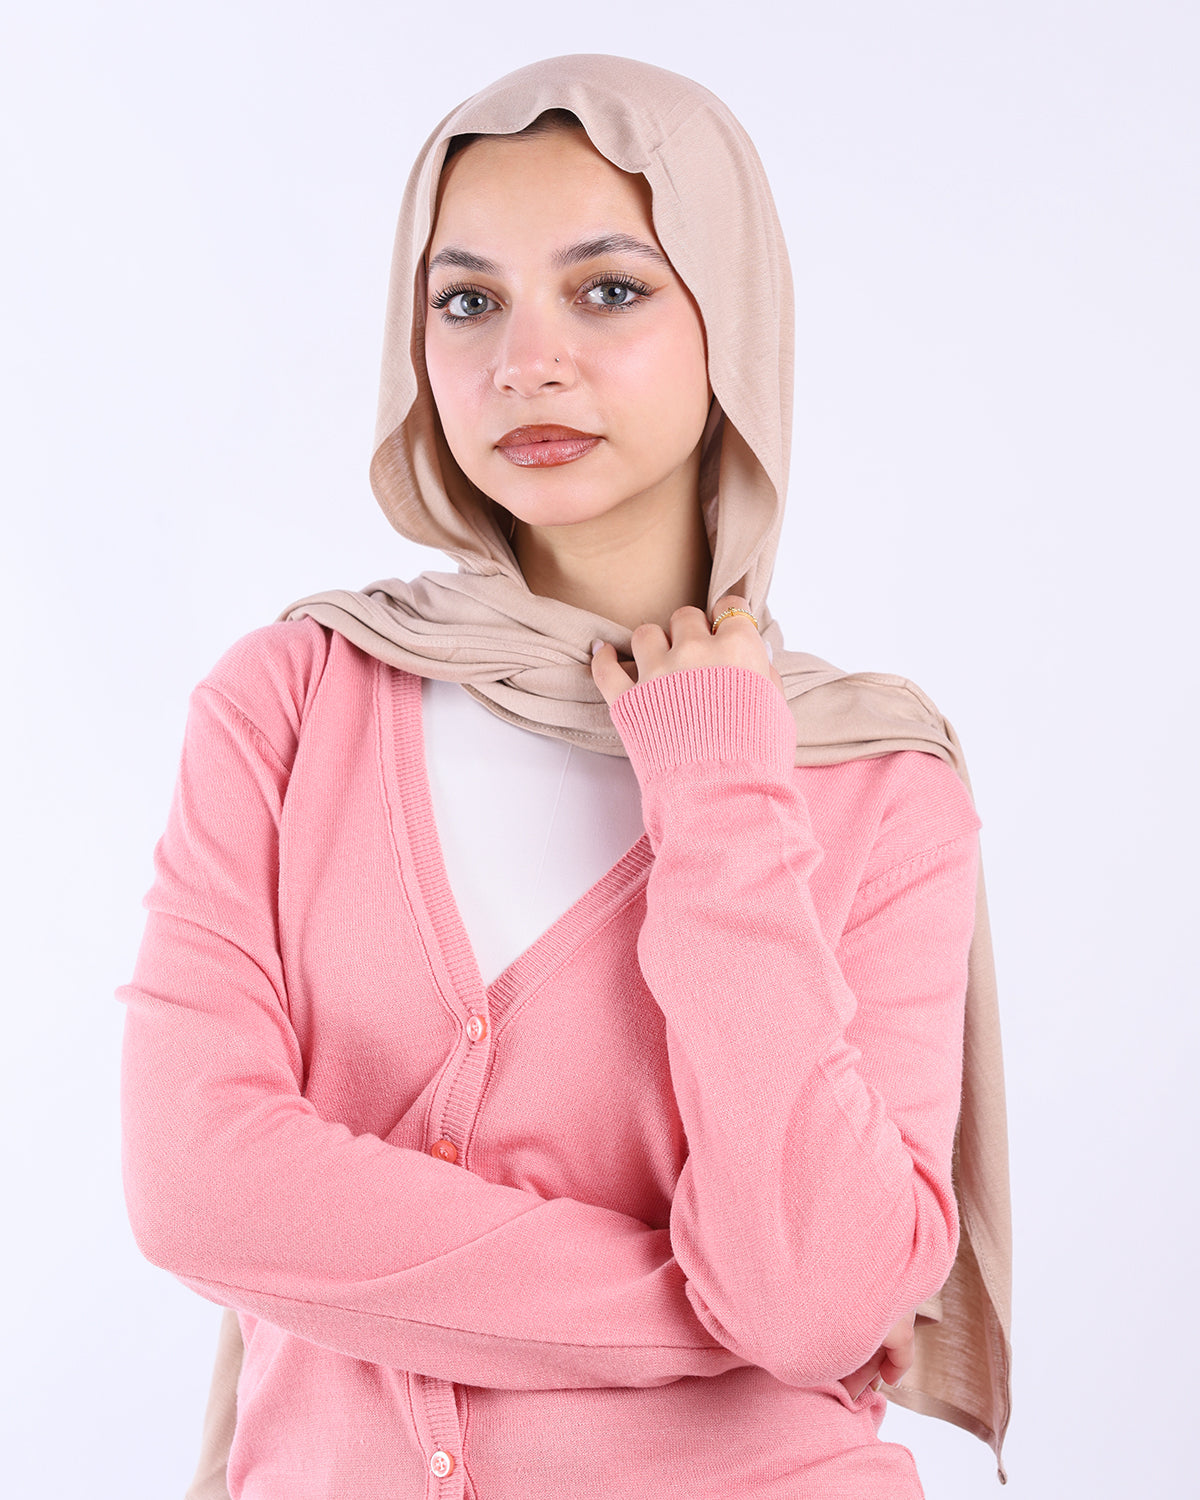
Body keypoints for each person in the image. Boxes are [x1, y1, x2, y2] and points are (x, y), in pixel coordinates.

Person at [119, 54, 1012, 1500]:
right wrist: (709, 1323)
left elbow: (812, 1289)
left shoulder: (870, 781)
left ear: (733, 319)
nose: (523, 360)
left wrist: (725, 786)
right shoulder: (292, 701)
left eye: (608, 290)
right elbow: (197, 1186)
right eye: (466, 300)